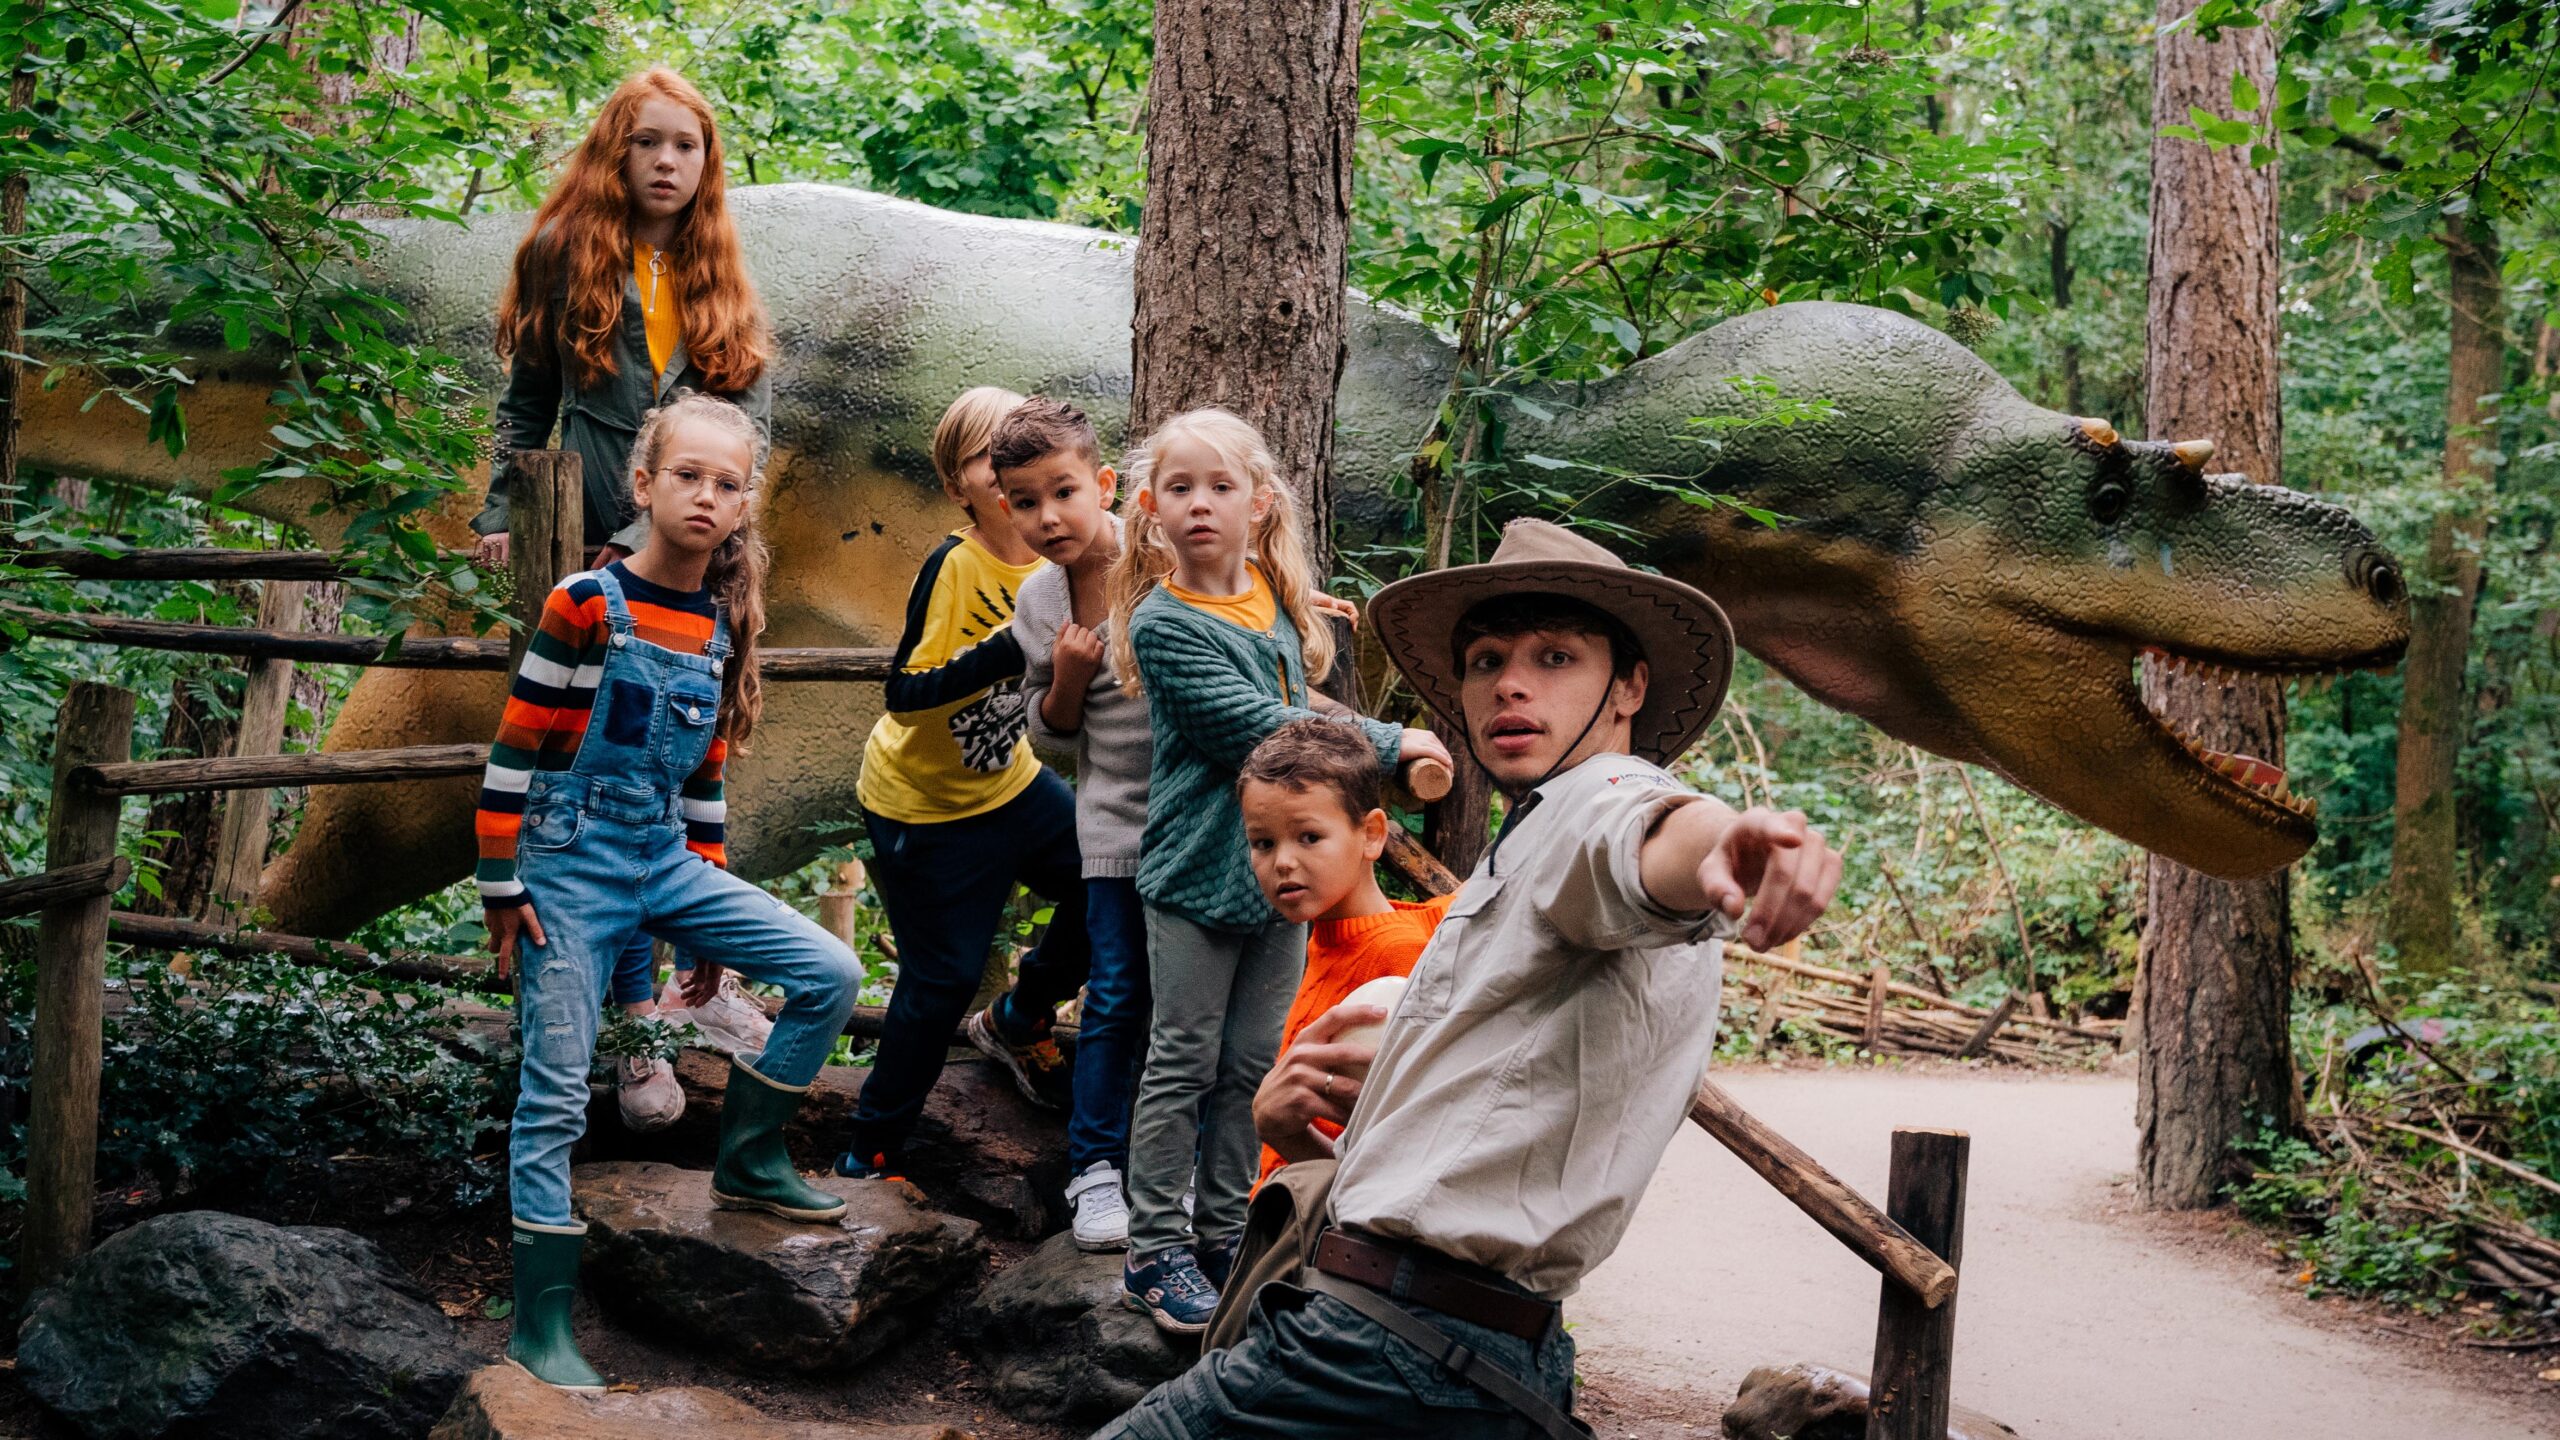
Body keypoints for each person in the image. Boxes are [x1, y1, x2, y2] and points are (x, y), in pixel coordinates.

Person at [1098, 518, 1845, 1438]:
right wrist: (1298, 1137)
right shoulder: (1522, 848)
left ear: (1630, 686)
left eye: (1557, 656)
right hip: (1477, 1352)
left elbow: (1653, 843)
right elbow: (1470, 1141)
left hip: (1381, 1349)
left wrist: (1733, 842)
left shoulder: (1601, 802)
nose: (1512, 684)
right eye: (1487, 659)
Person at [475, 392, 862, 1394]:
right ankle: (540, 1326)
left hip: (662, 858)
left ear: (743, 505)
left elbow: (703, 771)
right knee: (555, 1090)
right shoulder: (584, 603)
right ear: (643, 486)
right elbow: (515, 746)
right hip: (562, 865)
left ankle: (749, 1157)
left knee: (829, 970)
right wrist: (499, 881)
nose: (704, 496)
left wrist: (707, 915)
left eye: (725, 483)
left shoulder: (718, 618)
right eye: (685, 475)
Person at [472, 66, 779, 1120]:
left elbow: (752, 432)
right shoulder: (565, 257)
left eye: (685, 147)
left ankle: (687, 996)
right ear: (618, 152)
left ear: (706, 165)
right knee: (593, 786)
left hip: (700, 564)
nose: (665, 162)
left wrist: (724, 525)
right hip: (597, 548)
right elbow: (525, 405)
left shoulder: (721, 275)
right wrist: (497, 514)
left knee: (675, 770)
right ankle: (631, 1037)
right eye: (647, 142)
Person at [1108, 407, 1453, 1335]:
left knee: (1254, 1065)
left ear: (1259, 504)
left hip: (1285, 879)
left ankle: (1223, 1234)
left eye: (1221, 487)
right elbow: (1262, 727)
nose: (1201, 504)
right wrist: (1390, 740)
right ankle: (1154, 1251)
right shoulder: (1163, 623)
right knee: (1181, 1061)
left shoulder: (1267, 592)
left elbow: (1298, 699)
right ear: (1150, 510)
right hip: (1195, 878)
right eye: (1180, 488)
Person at [834, 387, 1092, 1181]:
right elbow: (905, 694)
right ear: (962, 487)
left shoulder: (1066, 552)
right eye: (990, 456)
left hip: (1008, 784)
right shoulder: (956, 567)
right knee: (939, 981)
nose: (1010, 465)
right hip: (923, 807)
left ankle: (1019, 1016)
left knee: (1112, 881)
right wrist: (1011, 645)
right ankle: (870, 1149)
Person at [998, 397, 1149, 1252]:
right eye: (1024, 501)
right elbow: (1049, 736)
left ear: (1104, 483)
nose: (1046, 517)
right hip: (1112, 827)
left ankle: (1183, 1169)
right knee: (1116, 996)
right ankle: (1095, 1171)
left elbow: (1241, 607)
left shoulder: (1164, 554)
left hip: (1200, 824)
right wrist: (1064, 677)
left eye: (1062, 492)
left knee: (1186, 1012)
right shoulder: (1040, 597)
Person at [1235, 719, 1454, 1190]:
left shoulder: (1395, 959)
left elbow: (1384, 1171)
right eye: (1263, 842)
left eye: (1309, 836)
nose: (1283, 862)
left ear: (1372, 834)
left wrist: (1278, 1128)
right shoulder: (1332, 938)